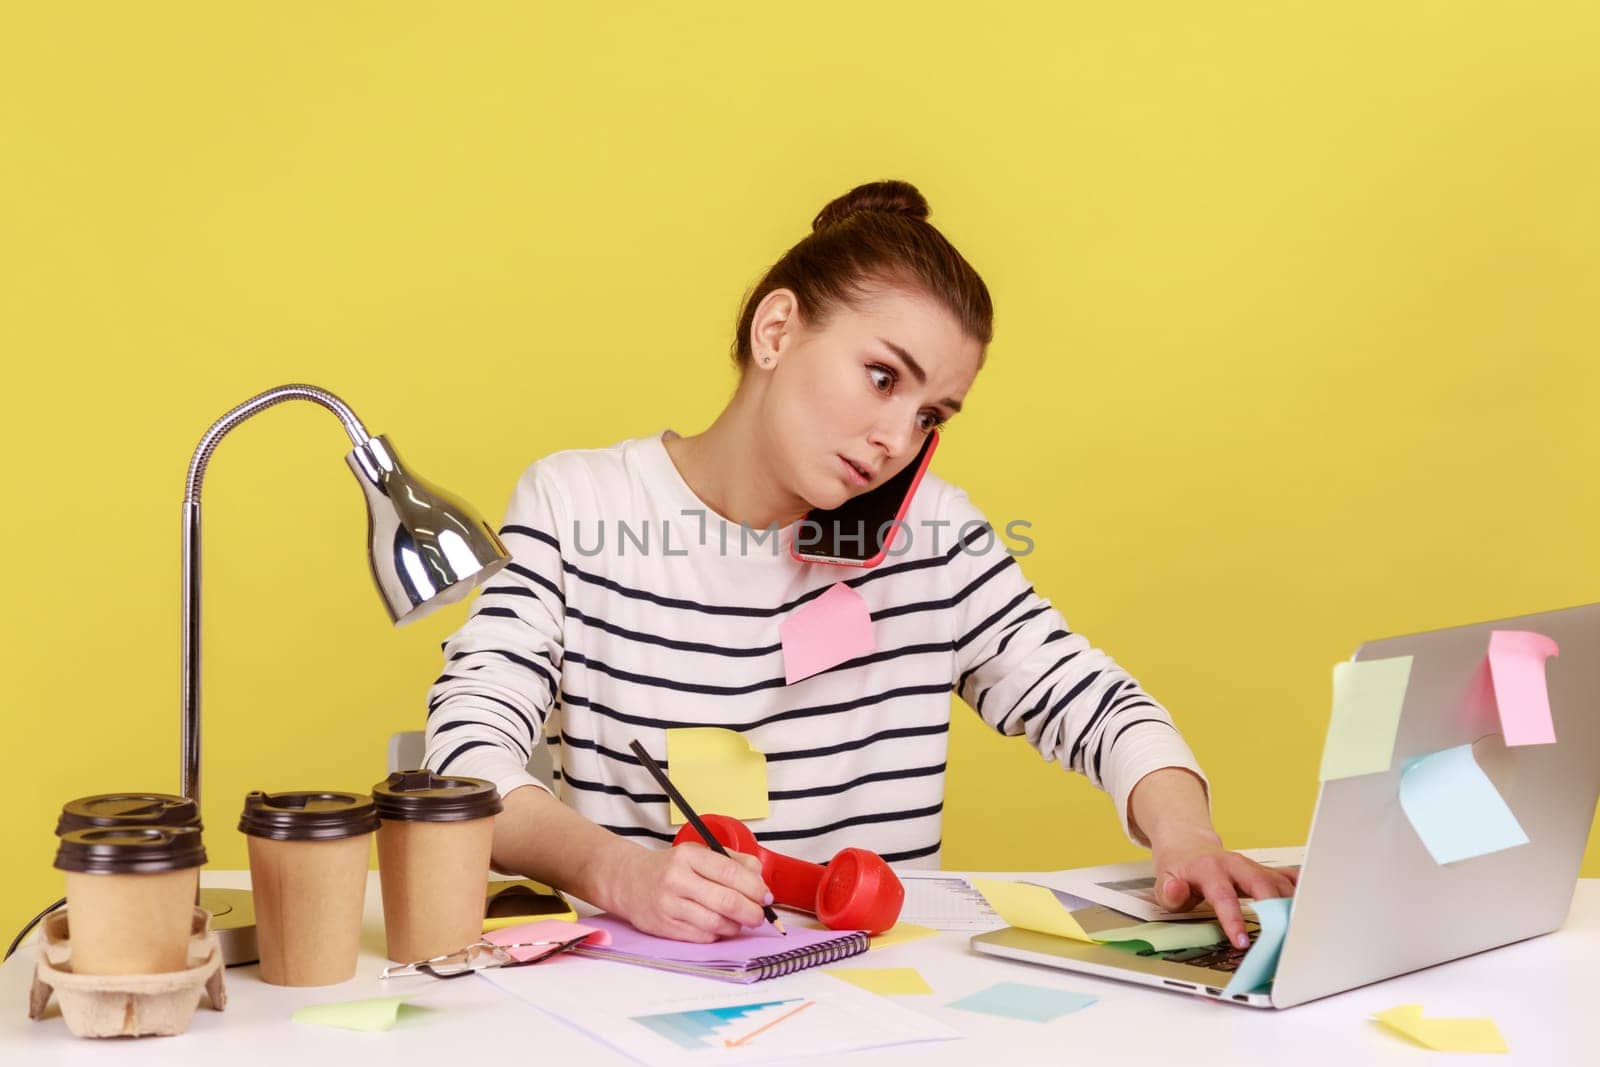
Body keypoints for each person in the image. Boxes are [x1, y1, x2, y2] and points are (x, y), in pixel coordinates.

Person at [423, 179, 1295, 948]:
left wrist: (1187, 835)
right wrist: (619, 872)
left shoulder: (934, 539)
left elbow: (1096, 701)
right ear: (776, 330)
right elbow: (465, 762)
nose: (895, 440)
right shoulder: (580, 504)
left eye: (930, 413)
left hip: (886, 1002)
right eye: (883, 377)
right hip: (655, 1003)